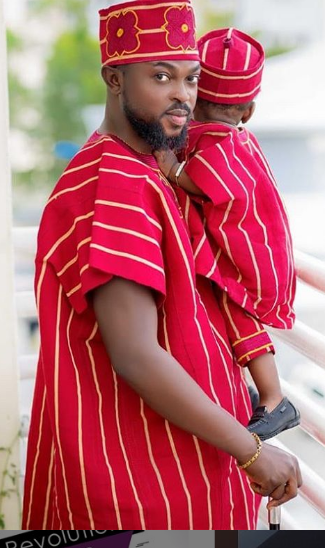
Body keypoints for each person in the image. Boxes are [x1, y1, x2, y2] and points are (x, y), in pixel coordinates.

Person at [22, 0, 301, 530]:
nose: (183, 95)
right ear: (115, 79)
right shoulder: (118, 185)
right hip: (149, 485)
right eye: (161, 76)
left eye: (191, 78)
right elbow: (136, 355)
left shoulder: (140, 165)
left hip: (172, 465)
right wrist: (251, 452)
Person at [155, 28, 299, 441]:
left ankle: (274, 398)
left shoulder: (216, 141)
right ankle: (255, 389)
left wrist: (173, 171)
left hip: (246, 255)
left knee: (236, 311)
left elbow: (209, 184)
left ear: (193, 95)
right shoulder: (238, 137)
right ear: (249, 110)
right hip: (253, 247)